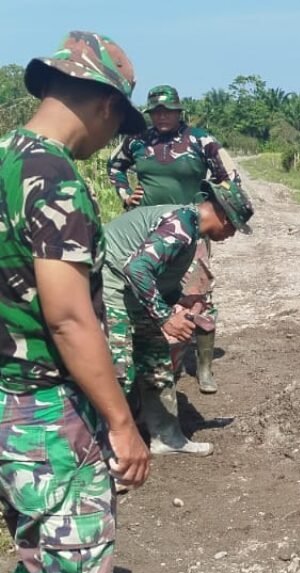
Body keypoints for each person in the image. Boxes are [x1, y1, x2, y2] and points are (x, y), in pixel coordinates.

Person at [0, 31, 150, 573]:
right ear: (100, 103)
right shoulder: (51, 176)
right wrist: (121, 422)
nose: (114, 135)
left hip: (5, 392)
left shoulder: (1, 160)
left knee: (32, 545)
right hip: (44, 404)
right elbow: (67, 313)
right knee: (68, 556)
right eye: (119, 120)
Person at [102, 179, 253, 456]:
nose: (231, 234)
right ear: (220, 214)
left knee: (157, 362)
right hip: (110, 286)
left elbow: (157, 274)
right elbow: (136, 269)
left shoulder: (189, 228)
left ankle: (167, 438)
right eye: (232, 226)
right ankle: (106, 452)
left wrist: (181, 302)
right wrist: (164, 317)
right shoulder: (181, 226)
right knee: (118, 371)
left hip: (131, 290)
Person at [107, 84, 235, 394]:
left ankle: (203, 367)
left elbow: (229, 180)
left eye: (169, 111)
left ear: (180, 113)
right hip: (148, 230)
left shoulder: (200, 140)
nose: (162, 116)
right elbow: (115, 166)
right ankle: (149, 359)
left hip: (191, 231)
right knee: (146, 289)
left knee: (195, 298)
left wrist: (215, 206)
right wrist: (126, 194)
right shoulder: (137, 141)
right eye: (156, 112)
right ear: (150, 114)